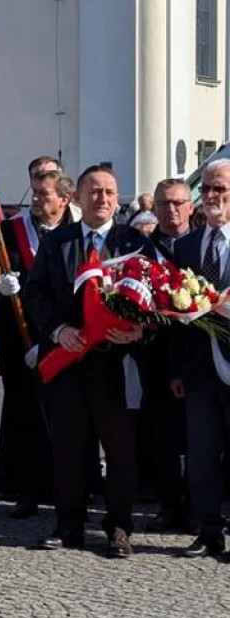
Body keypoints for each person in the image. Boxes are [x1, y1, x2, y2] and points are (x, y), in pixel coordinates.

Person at [23, 165, 155, 557]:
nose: (102, 198)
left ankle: (118, 527)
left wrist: (139, 330)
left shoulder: (135, 242)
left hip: (116, 362)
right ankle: (69, 524)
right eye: (94, 191)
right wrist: (57, 328)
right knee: (69, 449)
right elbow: (36, 293)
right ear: (77, 197)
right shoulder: (57, 241)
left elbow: (156, 297)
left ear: (119, 198)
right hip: (69, 361)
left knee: (120, 452)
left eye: (110, 192)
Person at [0, 170, 75, 518]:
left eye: (43, 194)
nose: (36, 199)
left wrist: (52, 338)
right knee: (24, 415)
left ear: (63, 199)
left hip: (64, 339)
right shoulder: (11, 230)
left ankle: (67, 487)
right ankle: (26, 489)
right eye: (35, 193)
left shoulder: (75, 234)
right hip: (20, 340)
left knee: (65, 418)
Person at [171, 158, 230, 558]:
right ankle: (208, 531)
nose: (210, 196)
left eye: (219, 189)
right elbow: (176, 315)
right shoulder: (186, 245)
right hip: (198, 370)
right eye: (205, 189)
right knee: (202, 453)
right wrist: (177, 369)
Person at [140, 179, 194, 533]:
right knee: (162, 437)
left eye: (177, 203)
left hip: (199, 356)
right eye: (162, 203)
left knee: (200, 439)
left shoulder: (202, 245)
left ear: (190, 206)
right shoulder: (141, 249)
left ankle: (198, 505)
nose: (170, 209)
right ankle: (169, 503)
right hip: (155, 356)